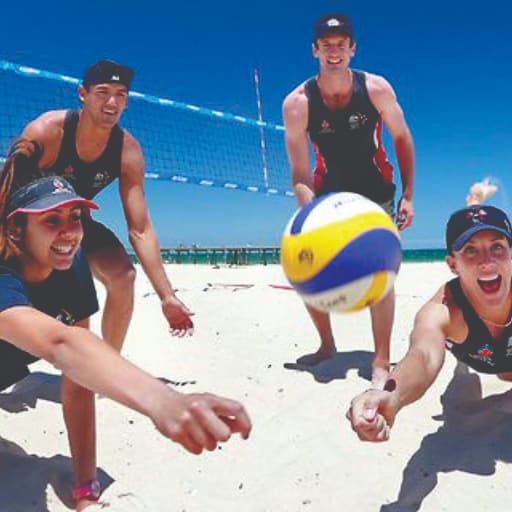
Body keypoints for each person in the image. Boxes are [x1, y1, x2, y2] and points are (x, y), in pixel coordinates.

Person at [0, 150, 251, 511]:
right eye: (51, 220)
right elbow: (60, 343)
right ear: (17, 229)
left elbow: (77, 380)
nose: (69, 232)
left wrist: (86, 485)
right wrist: (161, 400)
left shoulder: (71, 266)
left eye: (75, 216)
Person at [17, 59, 193, 354]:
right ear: (83, 94)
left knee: (123, 275)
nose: (112, 102)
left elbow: (141, 229)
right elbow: (5, 191)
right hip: (25, 223)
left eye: (121, 94)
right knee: (64, 311)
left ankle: (110, 362)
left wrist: (167, 296)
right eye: (102, 92)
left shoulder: (128, 150)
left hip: (74, 223)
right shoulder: (47, 131)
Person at [282, 13, 415, 386]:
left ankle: (381, 359)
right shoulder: (297, 103)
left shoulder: (375, 89)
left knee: (382, 277)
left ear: (352, 49)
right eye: (327, 44)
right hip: (328, 194)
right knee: (303, 264)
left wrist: (408, 195)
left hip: (376, 191)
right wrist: (308, 210)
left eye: (341, 44)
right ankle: (327, 346)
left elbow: (402, 138)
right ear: (315, 50)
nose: (334, 50)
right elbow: (299, 172)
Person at [347, 203, 512, 442]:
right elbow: (423, 355)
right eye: (470, 250)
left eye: (497, 247)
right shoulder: (442, 310)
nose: (486, 261)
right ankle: (462, 368)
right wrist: (394, 396)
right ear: (453, 265)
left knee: (506, 375)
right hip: (476, 354)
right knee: (467, 374)